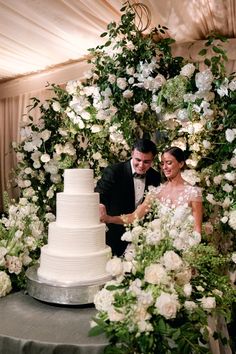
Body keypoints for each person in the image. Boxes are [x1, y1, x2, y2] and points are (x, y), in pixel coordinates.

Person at [100, 146, 203, 234]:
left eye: (169, 163)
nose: (164, 167)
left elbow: (197, 230)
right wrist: (109, 218)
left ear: (180, 164)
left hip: (186, 249)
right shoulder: (156, 192)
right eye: (162, 164)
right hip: (160, 249)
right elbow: (134, 217)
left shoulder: (193, 193)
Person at [95, 138, 161, 256]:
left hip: (141, 237)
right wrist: (100, 205)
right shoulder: (114, 171)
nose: (141, 165)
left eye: (146, 162)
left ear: (153, 160)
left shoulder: (155, 177)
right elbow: (100, 193)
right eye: (138, 160)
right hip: (114, 234)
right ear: (132, 154)